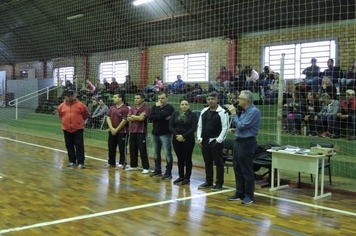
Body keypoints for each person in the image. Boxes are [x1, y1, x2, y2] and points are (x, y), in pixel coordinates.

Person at [227, 90, 261, 205]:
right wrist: (235, 130)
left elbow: (242, 125)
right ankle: (239, 192)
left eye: (240, 98)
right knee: (237, 168)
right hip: (239, 142)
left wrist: (233, 113)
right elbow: (242, 127)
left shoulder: (254, 111)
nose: (238, 100)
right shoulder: (245, 111)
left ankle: (249, 195)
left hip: (247, 143)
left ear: (245, 101)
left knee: (246, 170)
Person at [197, 92, 229, 191]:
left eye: (212, 99)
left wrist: (219, 140)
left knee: (218, 163)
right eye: (209, 99)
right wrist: (199, 138)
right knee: (208, 162)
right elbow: (200, 126)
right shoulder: (204, 111)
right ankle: (209, 181)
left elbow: (225, 127)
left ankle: (219, 183)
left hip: (216, 142)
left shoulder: (222, 112)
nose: (210, 100)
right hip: (205, 141)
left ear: (217, 100)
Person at [58, 90, 90, 169]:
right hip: (66, 129)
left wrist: (79, 122)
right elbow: (60, 115)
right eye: (68, 96)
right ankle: (72, 160)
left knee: (79, 146)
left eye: (72, 96)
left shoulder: (81, 105)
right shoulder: (61, 106)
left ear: (74, 96)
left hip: (78, 129)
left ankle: (81, 162)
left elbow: (86, 114)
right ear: (65, 97)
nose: (70, 97)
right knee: (69, 145)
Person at [169, 99, 198, 185]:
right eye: (182, 104)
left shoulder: (192, 115)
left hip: (188, 140)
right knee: (180, 158)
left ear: (189, 105)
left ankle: (187, 177)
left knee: (187, 158)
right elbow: (170, 126)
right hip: (176, 139)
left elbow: (194, 128)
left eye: (186, 104)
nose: (184, 106)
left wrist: (183, 136)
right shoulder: (175, 114)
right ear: (180, 105)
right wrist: (177, 136)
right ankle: (181, 176)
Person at [149, 92, 175, 179]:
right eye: (159, 98)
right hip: (155, 133)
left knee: (168, 154)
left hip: (165, 134)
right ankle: (157, 170)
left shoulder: (170, 108)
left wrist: (158, 112)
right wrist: (161, 116)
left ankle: (168, 172)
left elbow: (160, 115)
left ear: (167, 98)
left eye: (162, 98)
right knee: (156, 153)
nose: (160, 100)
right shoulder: (155, 106)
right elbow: (150, 117)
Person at [126, 93, 151, 173]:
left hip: (141, 132)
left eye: (138, 98)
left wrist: (133, 117)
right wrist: (136, 117)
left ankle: (146, 167)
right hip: (132, 131)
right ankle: (133, 165)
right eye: (135, 98)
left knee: (143, 150)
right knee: (132, 149)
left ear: (143, 99)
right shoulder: (132, 108)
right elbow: (128, 118)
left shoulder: (146, 108)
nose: (136, 100)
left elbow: (142, 118)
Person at [105, 93, 130, 169]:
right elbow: (108, 117)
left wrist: (116, 129)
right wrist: (111, 128)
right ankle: (111, 162)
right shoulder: (112, 107)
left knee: (122, 148)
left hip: (122, 132)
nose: (113, 98)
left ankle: (122, 163)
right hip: (112, 131)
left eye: (115, 97)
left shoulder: (125, 108)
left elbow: (124, 121)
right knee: (111, 147)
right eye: (113, 97)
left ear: (120, 98)